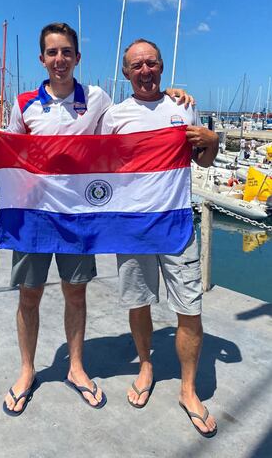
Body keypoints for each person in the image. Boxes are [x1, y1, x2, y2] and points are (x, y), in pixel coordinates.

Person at [0, 24, 191, 416]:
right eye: (52, 53)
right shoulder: (24, 104)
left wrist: (171, 92)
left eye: (66, 52)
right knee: (29, 297)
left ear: (77, 57)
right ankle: (27, 371)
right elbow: (7, 161)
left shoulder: (97, 99)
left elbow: (130, 125)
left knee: (76, 293)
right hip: (33, 218)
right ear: (42, 59)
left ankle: (75, 367)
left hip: (79, 218)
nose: (60, 60)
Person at [100, 38, 219, 438]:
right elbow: (95, 167)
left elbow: (200, 158)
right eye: (137, 65)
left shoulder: (182, 106)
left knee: (190, 309)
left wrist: (214, 144)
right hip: (131, 228)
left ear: (162, 67)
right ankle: (146, 366)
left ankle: (188, 389)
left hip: (176, 225)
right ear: (126, 73)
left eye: (151, 63)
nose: (145, 70)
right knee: (139, 303)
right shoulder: (114, 116)